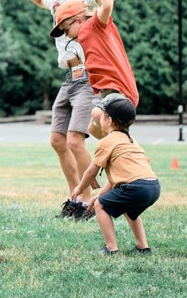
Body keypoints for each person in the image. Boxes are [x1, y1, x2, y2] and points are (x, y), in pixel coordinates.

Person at [16, 0, 120, 221]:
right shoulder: (56, 1)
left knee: (75, 139)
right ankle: (75, 198)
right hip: (69, 78)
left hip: (87, 76)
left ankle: (91, 201)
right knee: (57, 140)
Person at [49, 0, 139, 141]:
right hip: (107, 91)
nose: (66, 35)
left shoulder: (95, 25)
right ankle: (127, 149)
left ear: (79, 19)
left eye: (66, 29)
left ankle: (128, 150)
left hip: (119, 89)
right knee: (94, 128)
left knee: (99, 115)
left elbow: (106, 5)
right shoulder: (84, 35)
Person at [70, 95, 159, 255]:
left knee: (100, 206)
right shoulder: (130, 139)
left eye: (102, 115)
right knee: (129, 209)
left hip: (135, 186)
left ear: (109, 120)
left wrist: (80, 188)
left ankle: (111, 248)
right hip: (152, 186)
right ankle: (143, 247)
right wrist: (100, 195)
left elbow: (91, 171)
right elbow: (118, 178)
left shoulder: (106, 142)